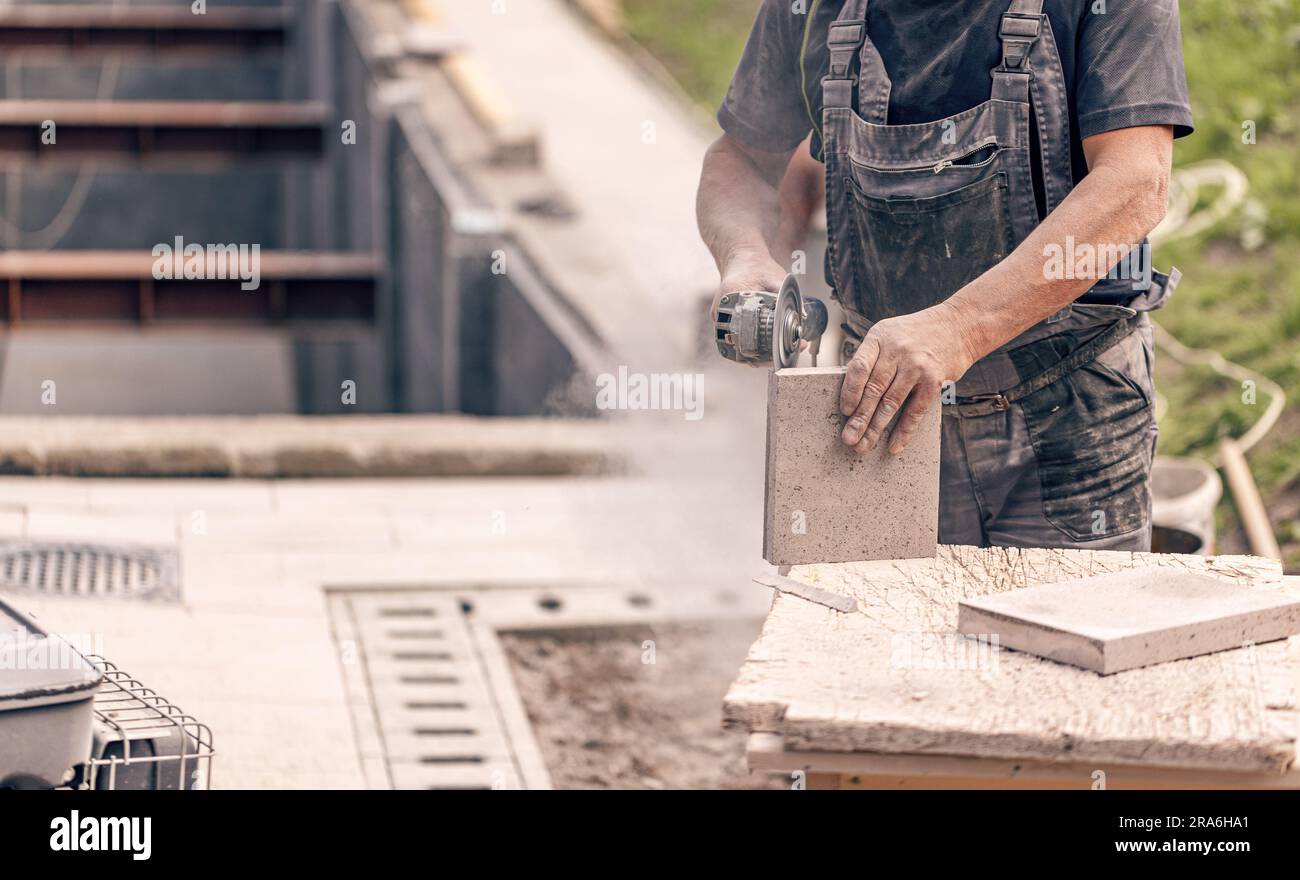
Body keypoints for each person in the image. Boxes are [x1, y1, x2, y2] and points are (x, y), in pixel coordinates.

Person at [696, 0, 1193, 550]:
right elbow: (739, 160)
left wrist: (958, 328)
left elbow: (1135, 183)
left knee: (1069, 632)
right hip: (878, 416)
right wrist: (745, 256)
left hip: (1069, 424)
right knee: (890, 630)